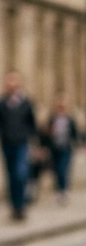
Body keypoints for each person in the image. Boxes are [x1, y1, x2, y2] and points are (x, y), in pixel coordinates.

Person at [0, 71, 37, 220]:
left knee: (20, 174)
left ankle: (21, 205)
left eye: (14, 80)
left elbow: (32, 125)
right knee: (11, 177)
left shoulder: (26, 103)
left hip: (22, 144)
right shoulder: (2, 104)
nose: (12, 84)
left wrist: (35, 144)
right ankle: (15, 207)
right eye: (9, 81)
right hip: (7, 144)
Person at [46, 92, 80, 202]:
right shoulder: (52, 118)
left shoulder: (70, 119)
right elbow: (46, 134)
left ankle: (63, 190)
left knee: (63, 169)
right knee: (56, 170)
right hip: (55, 148)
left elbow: (75, 133)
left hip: (66, 147)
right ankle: (59, 189)